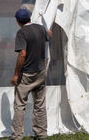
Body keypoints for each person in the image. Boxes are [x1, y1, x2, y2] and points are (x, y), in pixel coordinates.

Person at [11, 9, 52, 140]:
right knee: (40, 105)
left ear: (18, 21)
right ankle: (41, 134)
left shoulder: (21, 32)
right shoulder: (40, 28)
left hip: (26, 75)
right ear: (29, 17)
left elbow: (22, 54)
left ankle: (17, 136)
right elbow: (49, 34)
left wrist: (16, 74)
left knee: (19, 105)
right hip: (40, 71)